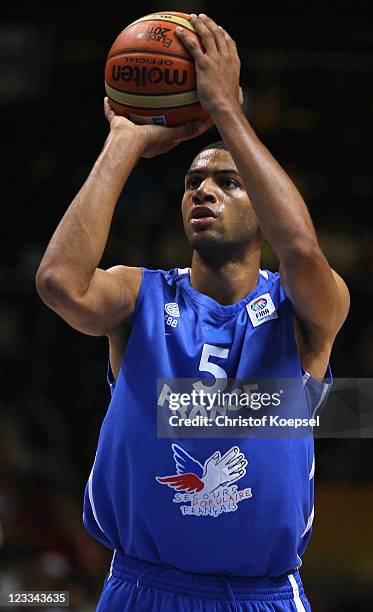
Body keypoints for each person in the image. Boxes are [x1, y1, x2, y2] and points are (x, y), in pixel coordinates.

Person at [36, 13, 349, 612]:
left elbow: (302, 249)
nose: (201, 190)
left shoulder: (305, 308)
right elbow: (58, 283)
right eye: (192, 181)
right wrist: (124, 140)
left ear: (263, 205)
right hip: (142, 586)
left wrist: (228, 112)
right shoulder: (138, 294)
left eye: (228, 182)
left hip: (262, 596)